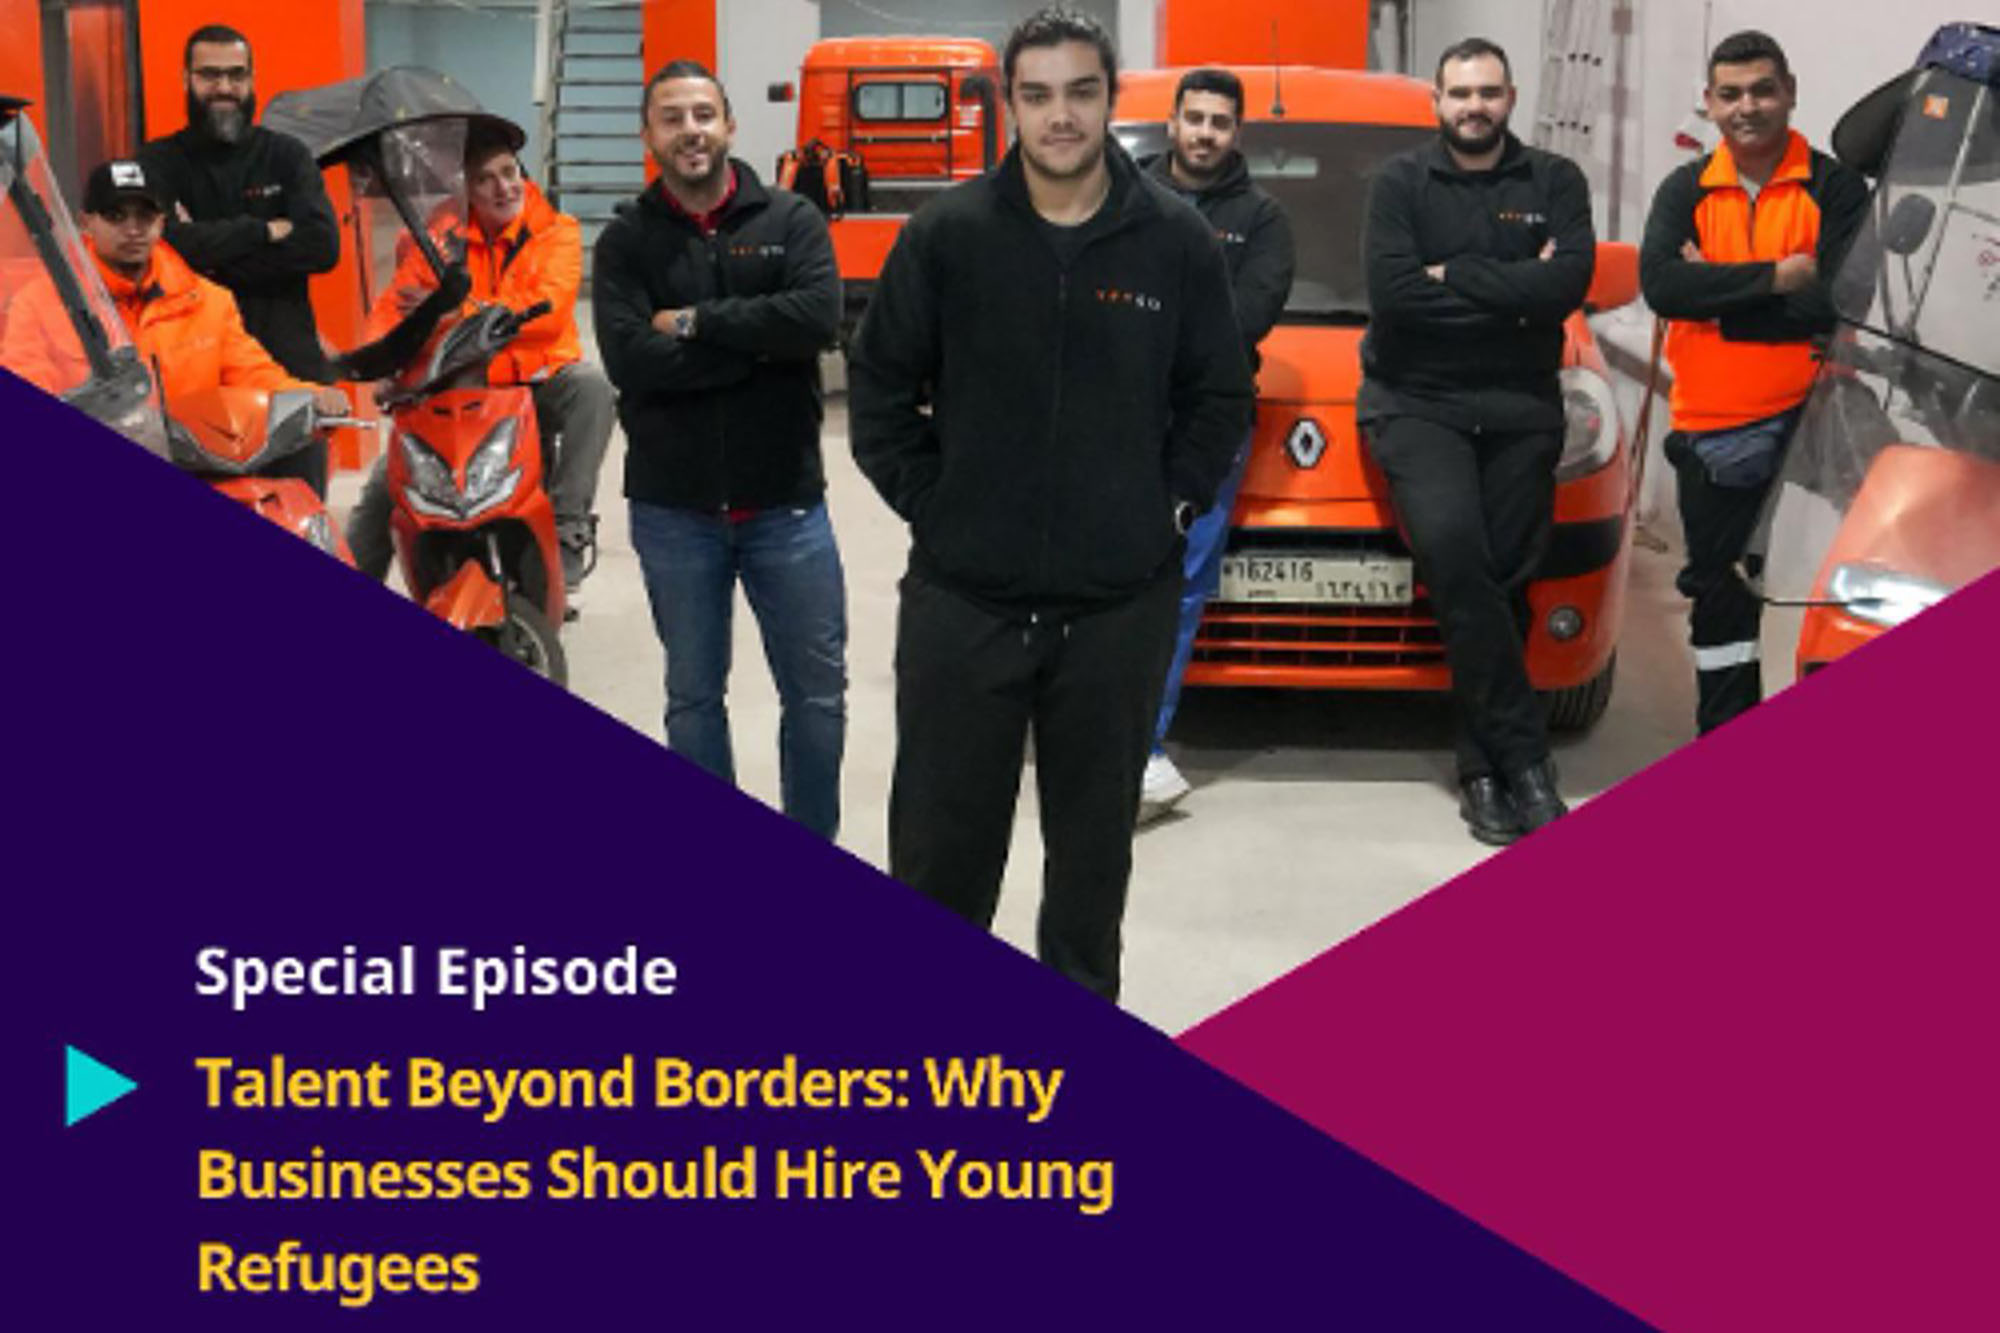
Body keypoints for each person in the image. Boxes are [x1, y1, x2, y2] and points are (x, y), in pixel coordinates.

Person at [848, 7, 1251, 1000]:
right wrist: (936, 508)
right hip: (964, 602)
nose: (1058, 117)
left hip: (1116, 608)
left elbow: (1217, 396)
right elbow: (878, 390)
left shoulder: (1174, 241)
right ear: (1007, 107)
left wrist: (1164, 510)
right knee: (940, 864)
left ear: (1109, 101)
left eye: (1079, 93)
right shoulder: (947, 235)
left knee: (1088, 874)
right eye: (1036, 95)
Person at [592, 61, 847, 840]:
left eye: (703, 113)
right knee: (694, 698)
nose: (690, 129)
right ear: (649, 137)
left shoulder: (791, 218)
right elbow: (631, 360)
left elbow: (815, 321)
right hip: (675, 510)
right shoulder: (626, 241)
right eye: (672, 117)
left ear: (730, 125)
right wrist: (754, 342)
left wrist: (697, 323)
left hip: (788, 503)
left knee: (817, 695)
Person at [1357, 37, 1595, 846]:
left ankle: (1482, 769)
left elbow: (1568, 285)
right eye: (1460, 93)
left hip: (1522, 406)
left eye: (1488, 92)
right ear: (1437, 100)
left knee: (1508, 580)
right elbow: (1393, 297)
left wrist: (1450, 277)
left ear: (1512, 96)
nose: (1474, 107)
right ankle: (1527, 760)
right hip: (1417, 403)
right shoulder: (1400, 182)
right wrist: (1514, 293)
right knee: (1459, 558)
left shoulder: (1554, 181)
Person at [1640, 30, 1867, 735]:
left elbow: (1840, 301)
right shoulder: (1686, 189)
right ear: (1708, 104)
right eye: (1731, 94)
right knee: (1722, 593)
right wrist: (1776, 278)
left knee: (1860, 576)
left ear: (1790, 92)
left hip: (1819, 412)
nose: (1748, 107)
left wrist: (1720, 299)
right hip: (1716, 424)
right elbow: (1663, 286)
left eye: (1763, 90)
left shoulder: (1835, 186)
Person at [344, 123, 616, 590]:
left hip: (535, 377)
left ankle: (569, 527)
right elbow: (390, 312)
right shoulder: (433, 239)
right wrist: (377, 360)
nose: (503, 186)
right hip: (455, 380)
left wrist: (449, 311)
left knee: (591, 389)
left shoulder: (556, 232)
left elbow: (544, 314)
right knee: (392, 481)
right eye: (485, 179)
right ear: (465, 190)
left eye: (509, 172)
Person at [1137, 66, 1295, 819]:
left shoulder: (1262, 220)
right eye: (1193, 117)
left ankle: (1142, 745)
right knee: (1098, 570)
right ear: (1172, 121)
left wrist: (1144, 320)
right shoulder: (1123, 192)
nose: (1204, 132)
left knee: (1182, 585)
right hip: (1116, 416)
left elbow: (1247, 321)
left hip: (1207, 424)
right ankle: (1092, 729)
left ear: (1237, 132)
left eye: (1219, 122)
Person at [138, 24, 341, 492]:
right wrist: (264, 230)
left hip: (288, 370)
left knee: (299, 519)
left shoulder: (287, 157)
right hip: (195, 379)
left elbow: (321, 246)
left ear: (252, 80)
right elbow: (165, 249)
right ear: (185, 79)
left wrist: (209, 254)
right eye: (210, 75)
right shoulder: (158, 163)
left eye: (236, 75)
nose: (224, 88)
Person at [3, 158, 344, 420]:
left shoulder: (209, 300)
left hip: (198, 466)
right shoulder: (39, 303)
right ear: (86, 222)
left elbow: (255, 374)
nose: (133, 229)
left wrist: (310, 395)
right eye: (116, 216)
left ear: (163, 222)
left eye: (145, 216)